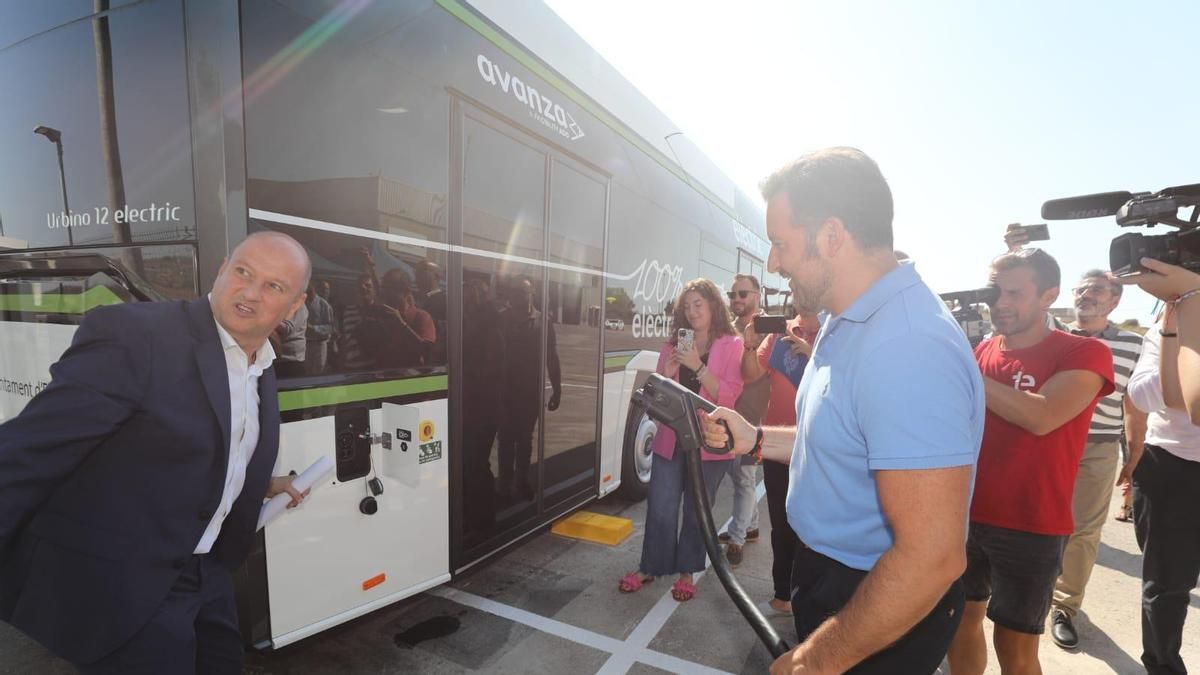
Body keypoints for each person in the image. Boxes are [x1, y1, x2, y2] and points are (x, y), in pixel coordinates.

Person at [700, 147, 984, 674]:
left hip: (879, 601)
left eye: (781, 243)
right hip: (837, 578)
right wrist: (756, 438)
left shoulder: (908, 345)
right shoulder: (846, 315)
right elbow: (840, 438)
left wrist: (816, 660)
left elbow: (931, 557)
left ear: (831, 235)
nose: (773, 262)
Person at [0, 232, 311, 674]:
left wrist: (259, 483)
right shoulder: (137, 334)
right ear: (223, 269)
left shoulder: (260, 363)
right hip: (131, 587)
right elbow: (31, 450)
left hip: (210, 576)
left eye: (273, 286)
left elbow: (209, 441)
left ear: (294, 305)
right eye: (243, 272)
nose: (250, 292)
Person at [947, 248, 1114, 675]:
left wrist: (964, 371)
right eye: (994, 291)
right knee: (959, 624)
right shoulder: (981, 350)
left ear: (1048, 295)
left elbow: (1042, 416)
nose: (999, 303)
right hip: (964, 515)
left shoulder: (1084, 353)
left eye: (1014, 293)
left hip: (1032, 522)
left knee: (1015, 645)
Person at [619, 278, 744, 603]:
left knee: (695, 511)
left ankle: (688, 571)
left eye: (697, 305)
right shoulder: (673, 344)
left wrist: (698, 367)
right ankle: (651, 566)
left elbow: (728, 398)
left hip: (707, 443)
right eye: (686, 307)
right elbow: (659, 394)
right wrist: (671, 369)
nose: (691, 312)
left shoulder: (732, 344)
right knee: (661, 507)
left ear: (714, 305)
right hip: (670, 440)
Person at [1041, 270, 1145, 650]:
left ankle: (1064, 607)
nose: (1087, 295)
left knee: (1083, 530)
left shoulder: (1135, 345)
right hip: (1048, 441)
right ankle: (1032, 591)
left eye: (1097, 289)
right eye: (1082, 288)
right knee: (1037, 521)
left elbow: (1133, 401)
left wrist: (1135, 451)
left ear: (1115, 300)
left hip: (1098, 447)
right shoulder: (1053, 336)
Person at [1121, 256, 1200, 675]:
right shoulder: (1167, 324)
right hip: (1171, 468)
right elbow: (1151, 395)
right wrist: (1178, 334)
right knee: (1166, 588)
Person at [740, 278, 820, 617]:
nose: (799, 293)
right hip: (776, 448)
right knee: (781, 524)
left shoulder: (839, 333)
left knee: (813, 529)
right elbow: (750, 375)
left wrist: (813, 357)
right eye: (796, 288)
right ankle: (782, 596)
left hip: (821, 451)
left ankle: (811, 600)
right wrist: (748, 346)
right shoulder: (779, 334)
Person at [497, 276, 561, 500]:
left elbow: (551, 357)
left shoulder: (543, 322)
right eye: (513, 293)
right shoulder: (502, 319)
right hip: (504, 393)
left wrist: (557, 389)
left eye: (521, 292)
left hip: (529, 393)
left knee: (524, 439)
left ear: (531, 293)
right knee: (505, 440)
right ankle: (504, 485)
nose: (515, 297)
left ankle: (521, 481)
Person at [721, 273, 770, 567]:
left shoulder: (766, 329)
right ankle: (750, 525)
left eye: (743, 293)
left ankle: (737, 538)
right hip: (729, 411)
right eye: (732, 294)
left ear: (757, 295)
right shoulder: (729, 328)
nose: (737, 299)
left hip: (752, 416)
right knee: (737, 474)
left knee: (743, 477)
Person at [356, 268, 436, 369]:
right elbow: (368, 351)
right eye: (384, 288)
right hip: (381, 380)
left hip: (410, 381)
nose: (385, 293)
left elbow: (427, 351)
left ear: (406, 291)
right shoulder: (379, 315)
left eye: (391, 288)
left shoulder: (421, 316)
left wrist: (402, 324)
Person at [304, 279, 335, 375]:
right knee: (306, 372)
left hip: (319, 344)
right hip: (306, 345)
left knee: (318, 372)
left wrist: (313, 328)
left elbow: (330, 327)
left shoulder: (324, 305)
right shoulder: (302, 304)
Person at [272, 301, 308, 379]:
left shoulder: (298, 305)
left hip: (291, 361)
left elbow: (287, 328)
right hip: (272, 360)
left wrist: (265, 320)